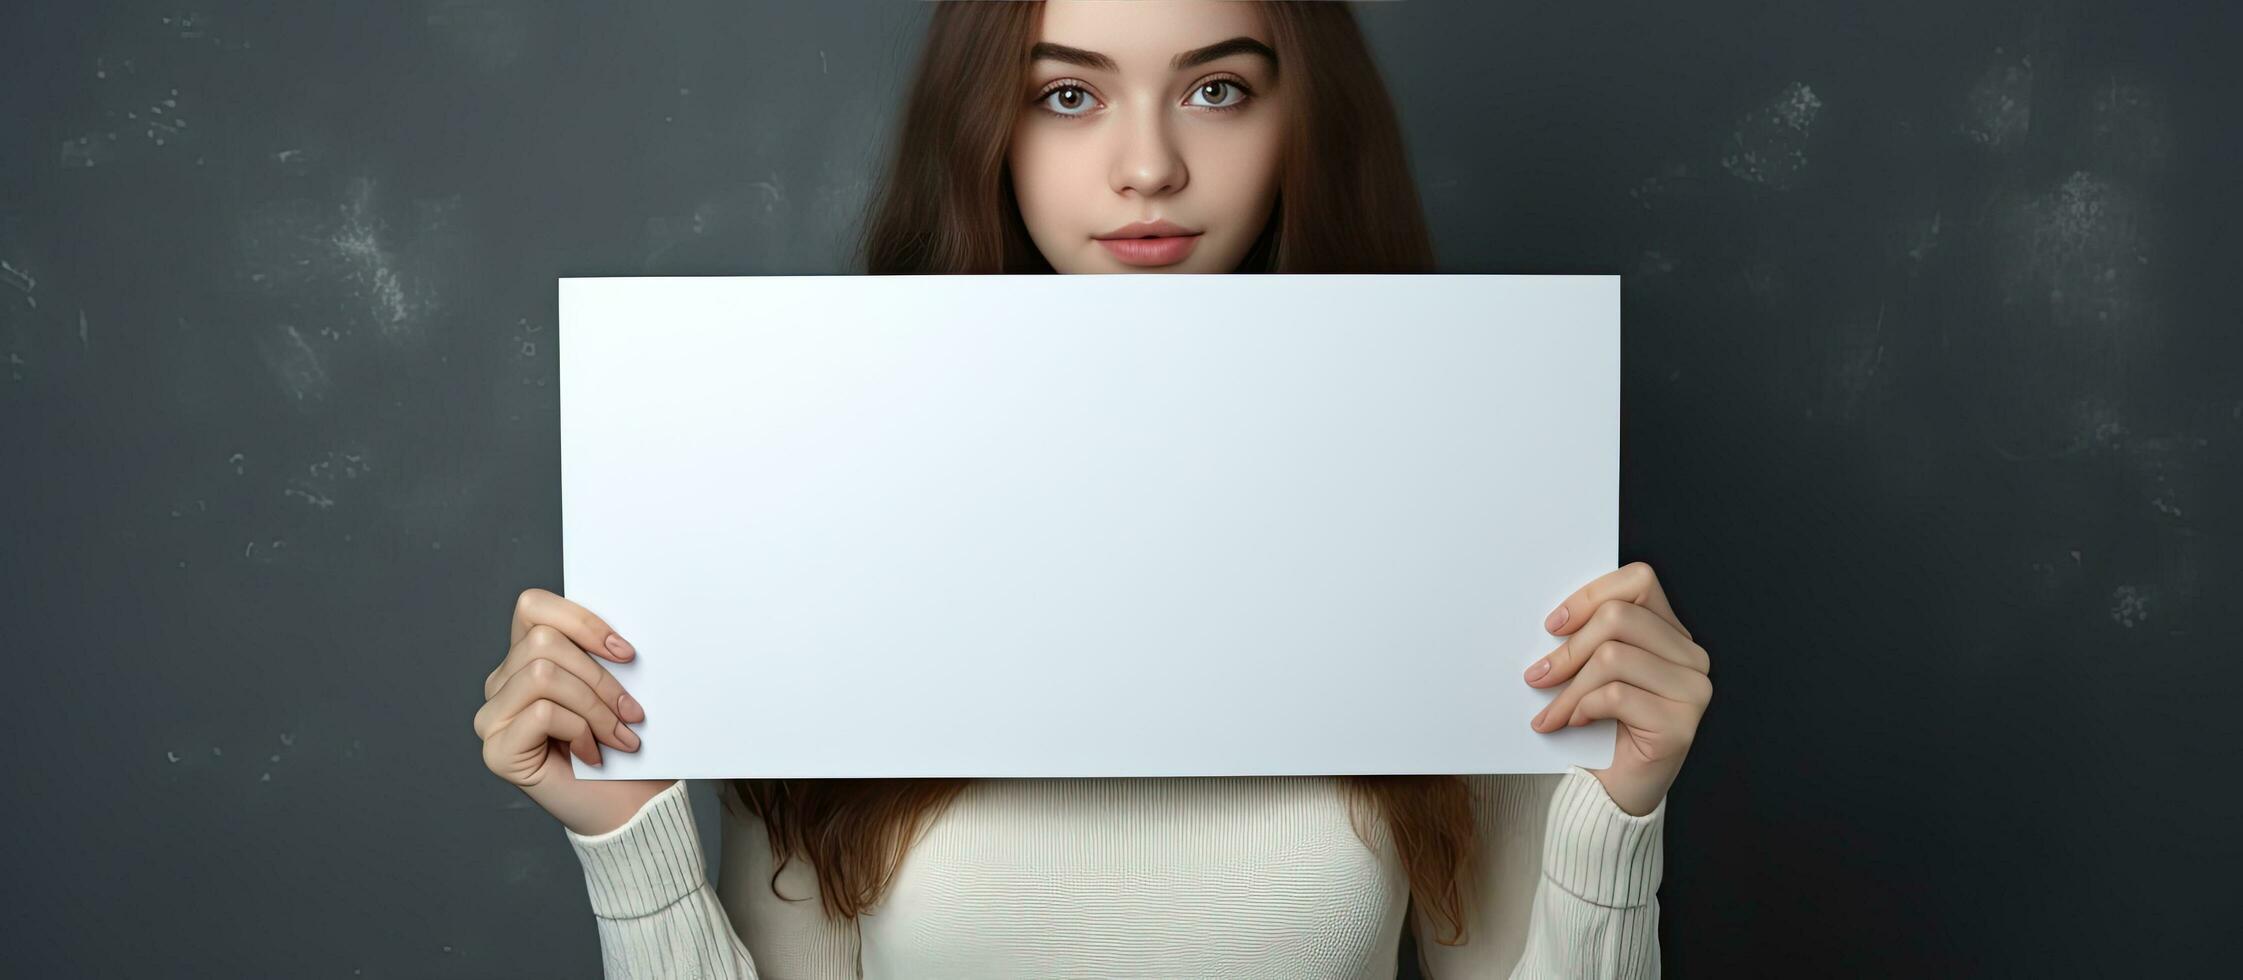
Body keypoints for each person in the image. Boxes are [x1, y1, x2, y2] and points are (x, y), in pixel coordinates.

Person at [473, 2, 1715, 976]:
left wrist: (1615, 810)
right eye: (1067, 95)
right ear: (986, 126)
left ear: (1304, 120)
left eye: (1217, 89)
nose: (1147, 167)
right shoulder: (827, 503)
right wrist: (625, 833)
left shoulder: (1449, 492)